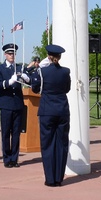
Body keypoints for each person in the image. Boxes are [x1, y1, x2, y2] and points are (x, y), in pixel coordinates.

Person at [30, 44, 72, 187]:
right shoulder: (66, 72)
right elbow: (67, 89)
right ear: (59, 57)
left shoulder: (42, 72)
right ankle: (59, 178)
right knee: (61, 144)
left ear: (48, 56)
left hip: (47, 110)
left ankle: (50, 179)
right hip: (62, 110)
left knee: (47, 145)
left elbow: (35, 89)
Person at [0, 42, 28, 167]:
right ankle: (7, 159)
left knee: (16, 133)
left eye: (14, 53)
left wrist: (25, 77)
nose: (12, 55)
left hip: (17, 104)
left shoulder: (19, 68)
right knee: (6, 133)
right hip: (6, 104)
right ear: (5, 54)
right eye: (10, 53)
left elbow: (29, 77)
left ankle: (14, 158)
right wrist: (9, 81)